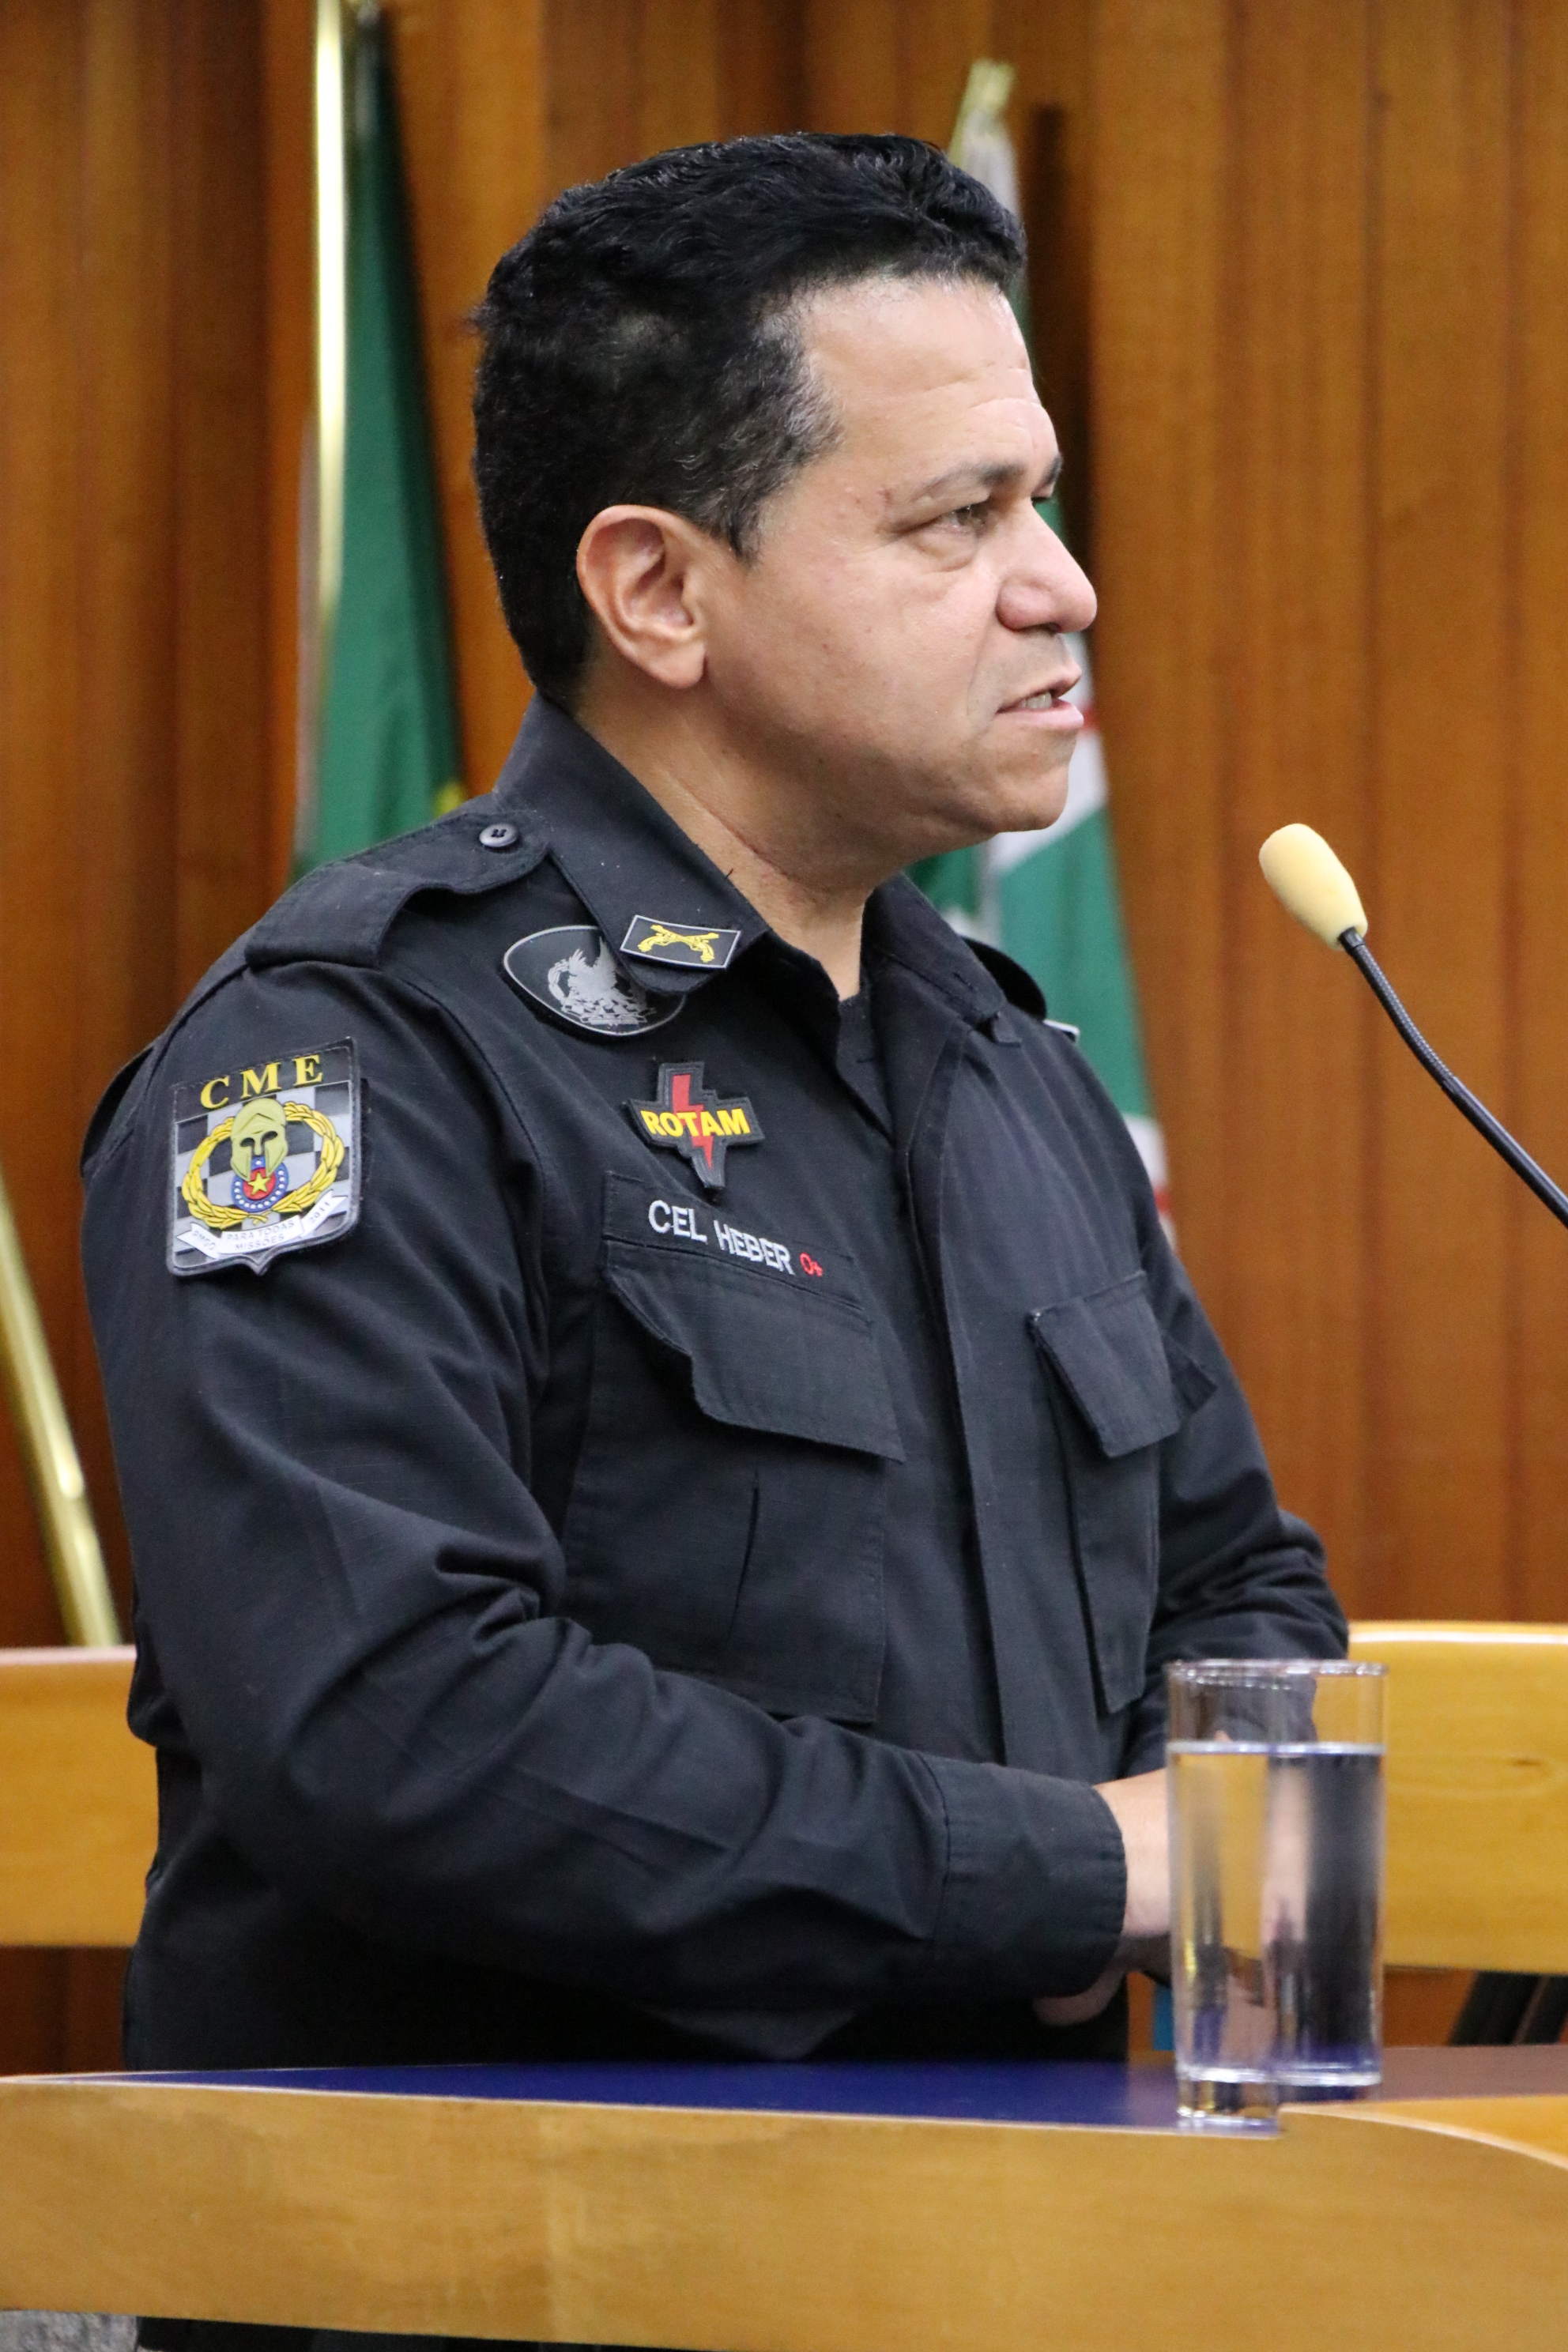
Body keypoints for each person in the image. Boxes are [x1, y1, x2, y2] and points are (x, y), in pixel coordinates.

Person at [83, 134, 1344, 2104]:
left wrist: (1162, 1854)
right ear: (660, 590)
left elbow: (1241, 1593)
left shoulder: (1006, 1067)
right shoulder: (360, 1054)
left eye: (1040, 502)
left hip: (1033, 2214)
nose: (1062, 586)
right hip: (507, 2237)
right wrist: (1072, 1877)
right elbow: (396, 1721)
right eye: (959, 519)